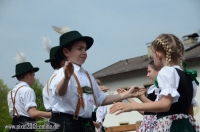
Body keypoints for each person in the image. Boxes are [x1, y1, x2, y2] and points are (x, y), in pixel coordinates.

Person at [49, 30, 146, 132]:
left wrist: (128, 94)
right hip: (66, 123)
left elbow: (101, 99)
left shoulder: (88, 75)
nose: (84, 52)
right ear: (66, 52)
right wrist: (66, 78)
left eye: (85, 49)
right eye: (80, 49)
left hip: (86, 123)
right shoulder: (60, 73)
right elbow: (60, 92)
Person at [110, 34, 199, 131]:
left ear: (158, 54)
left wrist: (132, 106)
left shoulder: (167, 72)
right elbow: (190, 112)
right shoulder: (188, 77)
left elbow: (165, 105)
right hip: (186, 126)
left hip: (170, 126)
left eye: (153, 56)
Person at [7, 52, 52, 132]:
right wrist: (52, 115)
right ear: (28, 75)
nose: (34, 78)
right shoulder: (27, 90)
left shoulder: (11, 92)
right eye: (33, 75)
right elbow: (33, 113)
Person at [117, 60, 159, 132]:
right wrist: (127, 96)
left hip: (156, 125)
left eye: (149, 71)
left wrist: (140, 96)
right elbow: (145, 111)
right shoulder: (152, 88)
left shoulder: (163, 88)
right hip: (147, 125)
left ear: (158, 70)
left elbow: (157, 109)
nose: (147, 75)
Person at [42, 46, 65, 112]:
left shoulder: (48, 81)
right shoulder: (62, 78)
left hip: (52, 117)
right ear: (63, 62)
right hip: (62, 117)